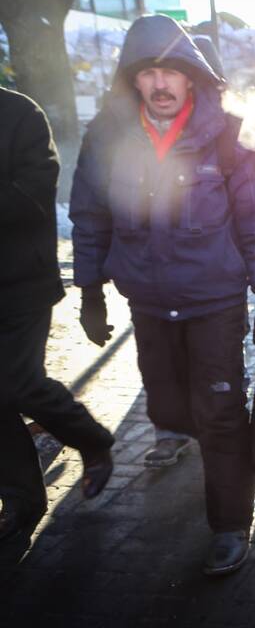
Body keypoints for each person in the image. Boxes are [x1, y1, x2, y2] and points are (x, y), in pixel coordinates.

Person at [70, 15, 255, 575]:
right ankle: (209, 446)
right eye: (148, 73)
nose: (161, 84)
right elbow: (91, 215)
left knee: (218, 413)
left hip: (214, 302)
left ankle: (230, 524)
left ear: (192, 78)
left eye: (172, 72)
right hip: (147, 303)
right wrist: (90, 289)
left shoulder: (230, 131)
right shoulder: (106, 136)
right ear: (133, 81)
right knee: (167, 407)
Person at [0, 87, 115, 567]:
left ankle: (92, 439)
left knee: (17, 381)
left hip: (20, 282)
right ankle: (22, 501)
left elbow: (34, 193)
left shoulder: (20, 112)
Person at [140, 32, 230, 471]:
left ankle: (207, 433)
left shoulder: (229, 128)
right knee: (161, 364)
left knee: (210, 370)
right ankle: (170, 431)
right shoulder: (136, 130)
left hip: (212, 278)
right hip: (156, 281)